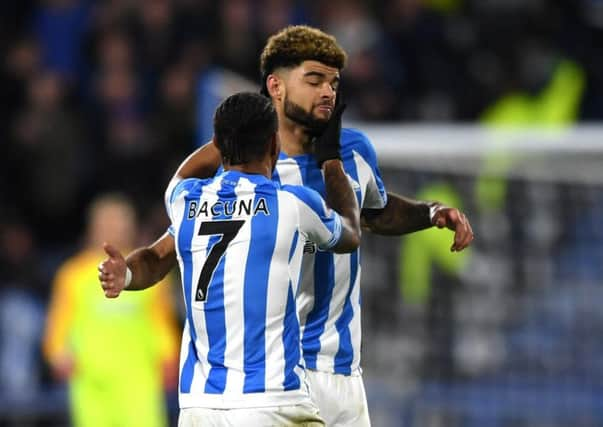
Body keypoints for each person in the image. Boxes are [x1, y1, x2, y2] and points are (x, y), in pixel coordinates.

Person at [100, 25, 473, 426]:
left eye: (333, 82)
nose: (328, 92)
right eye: (314, 80)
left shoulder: (355, 151)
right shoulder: (246, 176)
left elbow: (375, 212)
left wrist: (430, 213)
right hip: (278, 376)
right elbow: (165, 251)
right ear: (275, 87)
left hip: (341, 371)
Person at [100, 91, 361, 425]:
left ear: (218, 145)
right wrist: (331, 160)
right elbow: (350, 233)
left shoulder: (187, 203)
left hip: (201, 407)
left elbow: (155, 255)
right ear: (273, 145)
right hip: (272, 402)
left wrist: (126, 275)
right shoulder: (292, 205)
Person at [43, 193, 180, 427]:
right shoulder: (73, 274)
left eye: (119, 222)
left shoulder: (144, 270)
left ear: (131, 226)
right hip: (90, 380)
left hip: (140, 380)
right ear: (93, 226)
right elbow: (59, 321)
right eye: (106, 222)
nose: (113, 228)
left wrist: (170, 356)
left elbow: (162, 320)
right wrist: (56, 353)